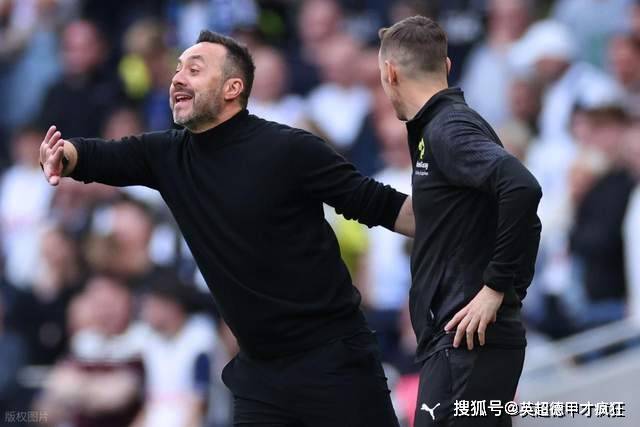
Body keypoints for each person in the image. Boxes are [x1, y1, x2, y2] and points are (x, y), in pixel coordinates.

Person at [39, 30, 414, 426]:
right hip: (259, 377)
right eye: (178, 69)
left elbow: (386, 207)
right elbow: (100, 155)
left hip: (334, 362)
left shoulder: (289, 149)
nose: (177, 78)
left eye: (194, 70)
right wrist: (63, 155)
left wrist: (458, 225)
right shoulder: (167, 155)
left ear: (232, 88)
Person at [377, 16, 542, 426]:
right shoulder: (442, 126)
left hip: (467, 341)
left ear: (390, 73)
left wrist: (496, 288)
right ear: (447, 66)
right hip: (467, 341)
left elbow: (522, 187)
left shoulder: (447, 128)